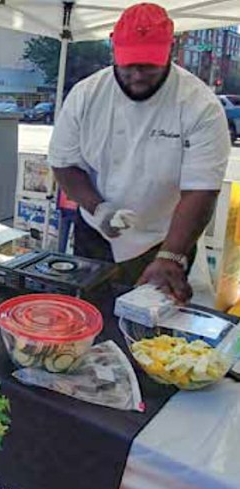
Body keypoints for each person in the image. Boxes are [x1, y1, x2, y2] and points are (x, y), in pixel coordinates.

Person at [48, 3, 230, 303]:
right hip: (96, 233)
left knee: (155, 329)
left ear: (169, 52)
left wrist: (171, 255)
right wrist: (99, 208)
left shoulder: (200, 105)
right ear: (113, 51)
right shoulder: (86, 95)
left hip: (165, 238)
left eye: (148, 65)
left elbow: (202, 189)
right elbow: (65, 164)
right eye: (129, 64)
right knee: (92, 311)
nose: (137, 74)